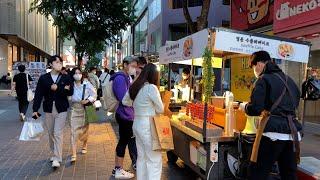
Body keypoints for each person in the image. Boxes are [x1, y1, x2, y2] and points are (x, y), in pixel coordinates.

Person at [239, 51, 302, 180]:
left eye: (253, 66)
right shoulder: (288, 79)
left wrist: (243, 106)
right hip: (292, 134)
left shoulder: (263, 79)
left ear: (260, 64)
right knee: (289, 174)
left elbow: (255, 109)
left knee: (257, 172)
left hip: (272, 134)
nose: (254, 71)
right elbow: (295, 101)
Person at [122, 63, 164, 180]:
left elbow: (125, 101)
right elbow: (160, 109)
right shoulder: (151, 88)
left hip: (137, 123)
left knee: (141, 157)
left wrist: (136, 105)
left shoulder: (136, 86)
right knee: (154, 159)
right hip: (148, 124)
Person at [32, 55, 74, 168]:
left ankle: (57, 158)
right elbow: (38, 94)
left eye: (60, 62)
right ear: (50, 64)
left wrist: (58, 88)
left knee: (57, 133)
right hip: (48, 109)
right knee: (51, 133)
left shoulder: (66, 77)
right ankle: (54, 152)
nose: (59, 64)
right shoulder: (44, 78)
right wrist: (35, 109)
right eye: (56, 62)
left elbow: (70, 92)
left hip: (62, 109)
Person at [110, 56, 138, 179]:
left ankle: (117, 168)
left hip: (126, 114)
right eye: (132, 65)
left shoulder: (126, 77)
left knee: (123, 141)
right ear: (125, 64)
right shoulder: (121, 78)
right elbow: (124, 99)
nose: (134, 68)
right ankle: (118, 170)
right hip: (125, 115)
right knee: (123, 142)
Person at [69, 67, 97, 162]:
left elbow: (94, 95)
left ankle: (85, 145)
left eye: (79, 73)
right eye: (75, 73)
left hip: (86, 109)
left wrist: (88, 100)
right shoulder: (70, 85)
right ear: (72, 75)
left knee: (85, 129)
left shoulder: (86, 84)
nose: (77, 75)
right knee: (73, 131)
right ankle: (73, 153)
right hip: (74, 109)